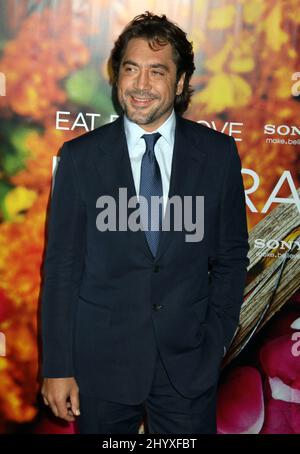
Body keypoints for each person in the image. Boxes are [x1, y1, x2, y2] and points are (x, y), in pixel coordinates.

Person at [40, 11, 249, 434]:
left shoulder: (218, 154)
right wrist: (58, 366)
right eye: (131, 69)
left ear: (180, 82)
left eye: (157, 72)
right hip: (101, 368)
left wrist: (217, 341)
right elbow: (62, 269)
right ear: (117, 76)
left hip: (188, 367)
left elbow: (231, 257)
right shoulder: (81, 158)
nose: (140, 85)